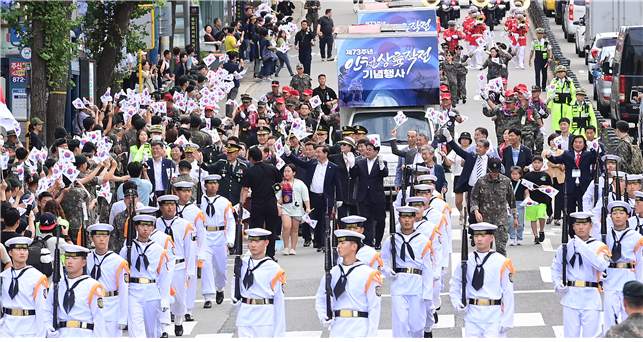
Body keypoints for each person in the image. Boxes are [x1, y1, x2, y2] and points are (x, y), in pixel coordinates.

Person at [449, 222, 516, 338]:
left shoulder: (501, 262)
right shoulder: (466, 260)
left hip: (494, 315)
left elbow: (508, 292)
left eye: (483, 236)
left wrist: (507, 319)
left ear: (491, 238)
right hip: (472, 315)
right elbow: (454, 283)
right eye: (476, 236)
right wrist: (457, 302)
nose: (479, 239)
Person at [550, 212, 609, 338]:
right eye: (577, 224)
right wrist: (557, 283)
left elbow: (602, 265)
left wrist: (583, 248)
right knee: (570, 336)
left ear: (591, 226)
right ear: (573, 227)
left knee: (592, 336)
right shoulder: (566, 246)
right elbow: (555, 267)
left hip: (590, 296)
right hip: (571, 296)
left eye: (584, 224)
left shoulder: (599, 246)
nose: (581, 227)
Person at [314, 229, 382, 337]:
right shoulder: (332, 273)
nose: (338, 247)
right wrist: (323, 316)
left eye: (342, 243)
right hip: (337, 329)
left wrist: (372, 336)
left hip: (359, 329)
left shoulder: (368, 273)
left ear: (354, 247)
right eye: (338, 243)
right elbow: (321, 298)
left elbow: (374, 307)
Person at [381, 206, 434, 338]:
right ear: (399, 219)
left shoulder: (422, 240)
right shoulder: (391, 240)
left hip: (416, 285)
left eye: (410, 217)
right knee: (400, 324)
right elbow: (380, 261)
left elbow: (427, 268)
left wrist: (427, 292)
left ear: (414, 219)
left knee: (417, 326)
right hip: (399, 284)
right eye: (404, 217)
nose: (407, 220)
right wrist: (387, 271)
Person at [119, 215, 171, 338]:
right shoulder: (127, 248)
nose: (145, 229)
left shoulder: (158, 250)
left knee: (152, 331)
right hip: (133, 291)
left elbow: (164, 277)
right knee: (136, 330)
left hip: (151, 291)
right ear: (136, 227)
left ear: (153, 228)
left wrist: (165, 301)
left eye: (149, 225)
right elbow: (121, 272)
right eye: (142, 225)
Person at [283, 144, 342, 252]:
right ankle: (318, 242)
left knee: (325, 221)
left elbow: (337, 183)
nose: (316, 154)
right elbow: (300, 162)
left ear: (325, 154)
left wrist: (339, 198)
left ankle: (325, 244)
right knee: (316, 220)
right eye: (316, 152)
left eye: (319, 152)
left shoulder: (333, 167)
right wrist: (288, 154)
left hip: (326, 197)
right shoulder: (312, 163)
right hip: (313, 196)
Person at [229, 228, 286, 337]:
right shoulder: (243, 263)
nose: (253, 245)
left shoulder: (273, 267)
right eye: (250, 241)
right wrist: (234, 296)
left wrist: (280, 333)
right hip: (245, 316)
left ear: (266, 243)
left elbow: (279, 299)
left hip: (264, 318)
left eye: (257, 241)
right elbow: (236, 281)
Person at [601, 201, 643, 334]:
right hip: (610, 280)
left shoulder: (636, 237)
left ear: (627, 216)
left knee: (630, 320)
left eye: (621, 213)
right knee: (609, 320)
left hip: (628, 279)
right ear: (610, 216)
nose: (618, 216)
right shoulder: (604, 236)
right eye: (614, 213)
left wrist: (639, 285)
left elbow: (640, 263)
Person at [48, 244, 106, 338]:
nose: (69, 262)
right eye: (67, 258)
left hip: (83, 334)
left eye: (74, 258)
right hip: (61, 335)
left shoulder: (92, 286)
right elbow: (47, 311)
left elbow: (99, 318)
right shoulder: (57, 285)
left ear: (83, 262)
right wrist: (48, 328)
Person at [156, 195, 195, 336]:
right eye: (166, 205)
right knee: (162, 297)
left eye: (173, 204)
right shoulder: (155, 224)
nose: (170, 207)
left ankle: (178, 320)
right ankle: (164, 328)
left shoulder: (184, 224)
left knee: (179, 298)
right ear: (161, 207)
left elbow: (190, 249)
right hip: (161, 267)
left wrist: (190, 270)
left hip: (179, 265)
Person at [546, 135, 598, 237]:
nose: (578, 144)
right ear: (572, 144)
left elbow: (596, 158)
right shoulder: (567, 154)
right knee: (570, 211)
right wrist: (549, 156)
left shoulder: (587, 154)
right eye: (576, 142)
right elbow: (556, 160)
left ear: (584, 144)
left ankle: (584, 233)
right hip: (570, 186)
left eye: (580, 142)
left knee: (583, 211)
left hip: (583, 186)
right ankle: (572, 233)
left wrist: (592, 148)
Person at [86, 224, 129, 338]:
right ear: (91, 239)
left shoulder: (118, 261)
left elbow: (124, 290)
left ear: (109, 238)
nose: (101, 239)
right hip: (93, 306)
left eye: (105, 236)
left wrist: (123, 316)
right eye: (98, 236)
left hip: (112, 306)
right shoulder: (87, 260)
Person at [198, 175, 235, 307]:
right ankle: (207, 296)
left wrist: (230, 240)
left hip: (220, 236)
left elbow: (231, 222)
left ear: (218, 186)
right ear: (205, 185)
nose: (213, 186)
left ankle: (220, 288)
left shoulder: (224, 202)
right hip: (205, 235)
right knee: (206, 266)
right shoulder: (199, 201)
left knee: (220, 268)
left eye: (215, 183)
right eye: (210, 183)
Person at [1, 237, 50, 338]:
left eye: (25, 249)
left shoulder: (37, 277)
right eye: (18, 249)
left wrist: (41, 335)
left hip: (28, 328)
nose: (22, 253)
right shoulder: (3, 276)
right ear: (10, 253)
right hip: (6, 328)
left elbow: (42, 307)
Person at [469, 157, 518, 257]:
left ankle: (502, 270)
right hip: (485, 219)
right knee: (485, 249)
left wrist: (515, 217)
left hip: (501, 219)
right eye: (493, 171)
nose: (495, 174)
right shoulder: (481, 181)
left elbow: (512, 200)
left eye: (497, 171)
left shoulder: (506, 181)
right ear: (488, 168)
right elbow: (473, 198)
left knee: (501, 248)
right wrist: (476, 212)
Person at [240, 147, 283, 258]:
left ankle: (258, 254)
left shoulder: (250, 171)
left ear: (251, 158)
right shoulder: (272, 169)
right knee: (271, 229)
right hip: (271, 203)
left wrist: (241, 203)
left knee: (256, 230)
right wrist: (274, 190)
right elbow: (281, 182)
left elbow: (245, 189)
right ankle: (271, 255)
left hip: (257, 203)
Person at [174, 181, 206, 320]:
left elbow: (201, 232)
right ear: (177, 192)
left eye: (189, 191)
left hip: (192, 246)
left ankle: (189, 309)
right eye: (183, 191)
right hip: (175, 246)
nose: (187, 194)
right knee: (175, 278)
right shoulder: (171, 208)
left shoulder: (195, 211)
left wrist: (201, 253)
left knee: (190, 277)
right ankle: (175, 308)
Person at [349, 140, 388, 248]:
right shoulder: (361, 162)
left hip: (377, 196)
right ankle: (368, 242)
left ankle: (378, 241)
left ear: (376, 151)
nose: (367, 152)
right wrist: (352, 165)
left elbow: (384, 174)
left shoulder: (381, 162)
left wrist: (381, 166)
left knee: (380, 220)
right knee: (366, 220)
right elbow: (354, 175)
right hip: (363, 196)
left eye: (370, 150)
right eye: (367, 149)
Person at [276, 164, 310, 255]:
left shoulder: (300, 183)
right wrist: (279, 208)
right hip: (285, 209)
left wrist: (308, 207)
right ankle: (286, 247)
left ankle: (293, 248)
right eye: (285, 171)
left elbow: (305, 196)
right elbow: (276, 197)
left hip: (297, 209)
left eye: (288, 171)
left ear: (294, 173)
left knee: (295, 229)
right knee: (286, 226)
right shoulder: (281, 184)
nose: (286, 173)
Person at [524, 156, 552, 244]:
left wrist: (545, 187)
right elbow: (525, 187)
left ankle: (542, 230)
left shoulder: (545, 175)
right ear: (532, 164)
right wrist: (528, 195)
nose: (537, 165)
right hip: (532, 199)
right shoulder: (528, 175)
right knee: (533, 218)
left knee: (541, 215)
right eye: (535, 163)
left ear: (542, 164)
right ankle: (536, 236)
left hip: (543, 199)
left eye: (539, 163)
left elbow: (550, 187)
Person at [547, 65, 576, 132]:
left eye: (562, 72)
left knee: (567, 122)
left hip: (567, 105)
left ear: (565, 73)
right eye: (558, 72)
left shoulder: (569, 82)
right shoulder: (554, 82)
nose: (560, 73)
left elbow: (573, 94)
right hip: (557, 106)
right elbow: (550, 94)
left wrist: (573, 104)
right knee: (558, 123)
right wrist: (549, 106)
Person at [508, 166, 527, 246]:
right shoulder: (508, 182)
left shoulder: (523, 182)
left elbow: (527, 192)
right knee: (511, 221)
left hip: (520, 203)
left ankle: (519, 237)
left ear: (520, 175)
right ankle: (512, 237)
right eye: (513, 174)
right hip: (510, 204)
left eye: (516, 174)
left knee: (520, 221)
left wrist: (527, 199)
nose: (514, 176)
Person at [223, 51, 245, 117]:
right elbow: (239, 73)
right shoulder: (235, 65)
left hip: (227, 84)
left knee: (228, 98)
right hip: (234, 84)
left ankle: (227, 113)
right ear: (235, 57)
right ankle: (230, 114)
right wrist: (242, 66)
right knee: (232, 99)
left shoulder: (225, 65)